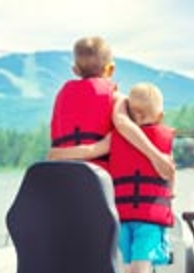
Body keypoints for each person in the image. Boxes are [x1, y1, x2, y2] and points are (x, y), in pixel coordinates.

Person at [48, 36, 174, 180]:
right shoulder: (115, 97)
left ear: (75, 70)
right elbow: (123, 124)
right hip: (95, 179)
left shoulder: (62, 97)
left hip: (58, 174)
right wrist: (156, 156)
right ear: (111, 69)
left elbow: (54, 152)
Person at [110, 83, 175, 273]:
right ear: (160, 115)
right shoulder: (164, 141)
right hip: (149, 215)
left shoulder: (116, 138)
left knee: (126, 261)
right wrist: (171, 193)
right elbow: (170, 172)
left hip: (123, 214)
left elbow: (100, 149)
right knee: (142, 261)